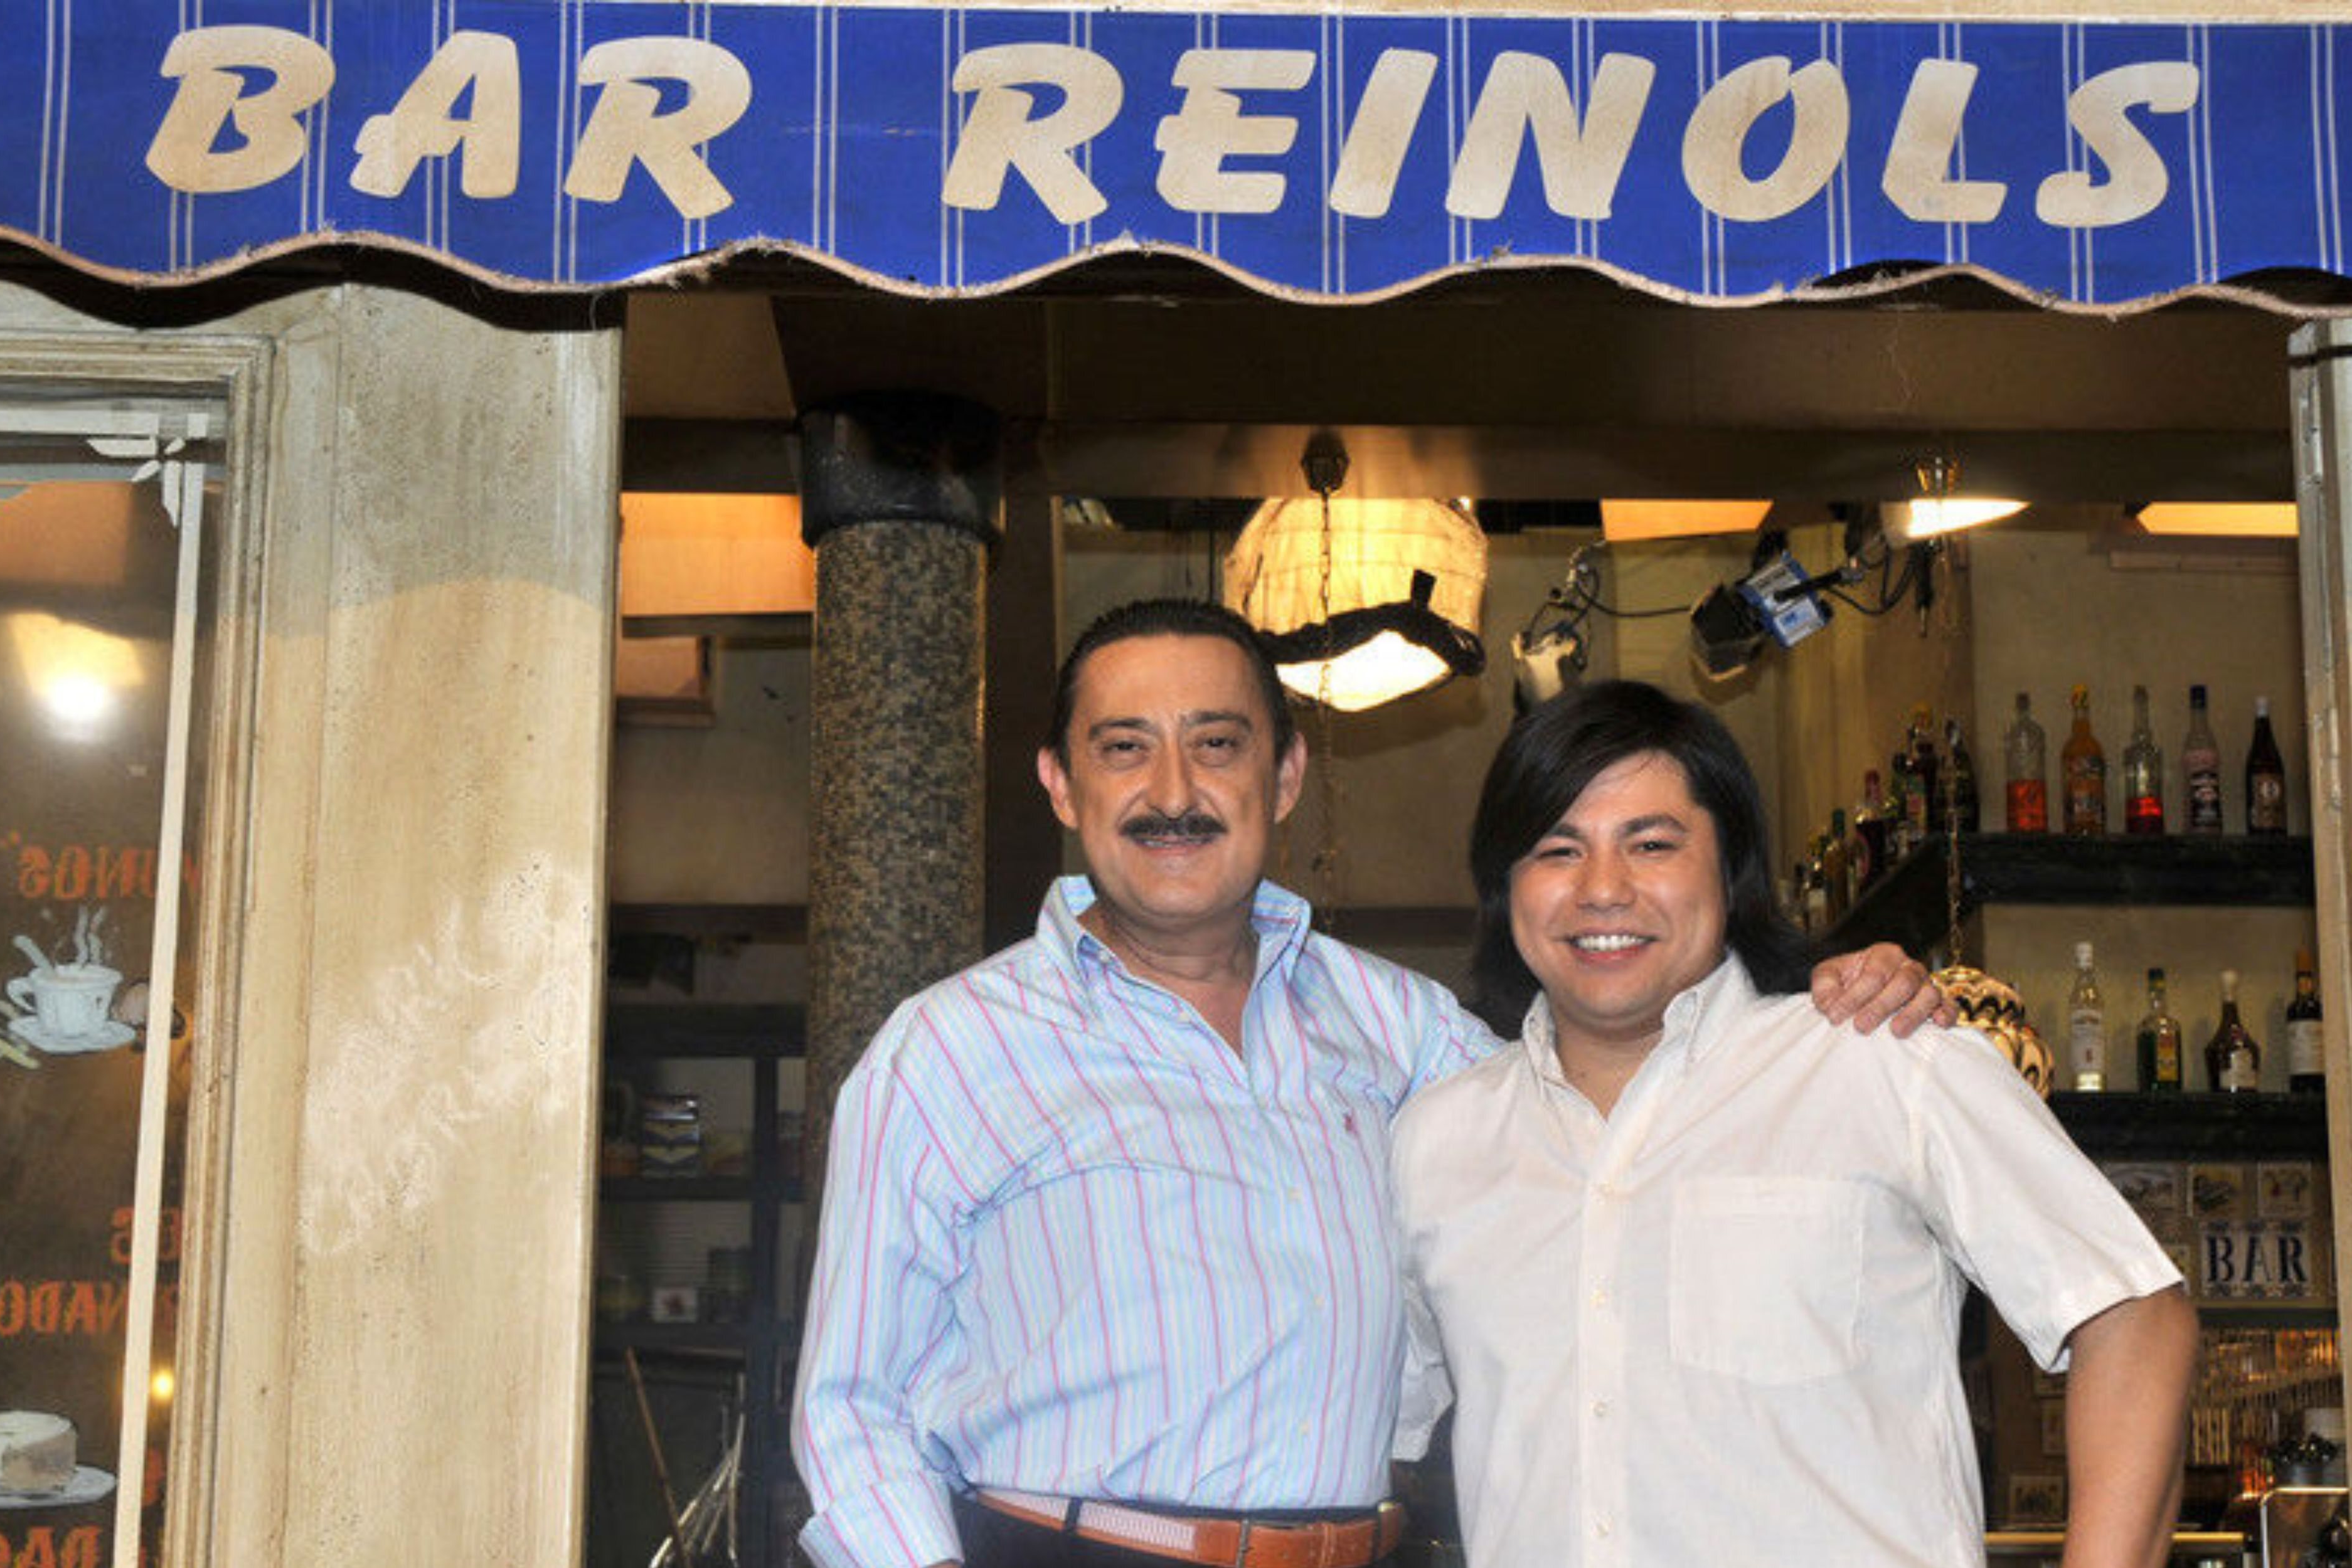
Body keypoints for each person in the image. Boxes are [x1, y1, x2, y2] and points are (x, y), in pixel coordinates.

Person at [792, 601, 1948, 1568]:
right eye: (1123, 747)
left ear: (1286, 775)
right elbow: (852, 1405)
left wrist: (1814, 1002)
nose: (1173, 789)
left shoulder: (1397, 1027)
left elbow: (1620, 1120)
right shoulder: (950, 1052)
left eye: (1218, 743)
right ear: (1060, 783)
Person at [1392, 679, 2197, 1568]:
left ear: (1729, 869)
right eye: (1557, 850)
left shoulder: (1879, 1058)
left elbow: (2135, 1316)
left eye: (1652, 844)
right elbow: (1364, 1413)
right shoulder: (1437, 1144)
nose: (1603, 889)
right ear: (1504, 887)